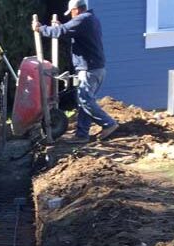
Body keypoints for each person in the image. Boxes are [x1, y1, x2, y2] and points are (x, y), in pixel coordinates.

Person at [34, 0, 118, 143]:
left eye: (71, 13)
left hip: (89, 69)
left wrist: (40, 29)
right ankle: (82, 135)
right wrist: (62, 27)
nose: (71, 16)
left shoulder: (83, 19)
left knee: (85, 100)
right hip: (96, 68)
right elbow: (68, 32)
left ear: (76, 10)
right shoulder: (91, 19)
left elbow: (61, 31)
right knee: (83, 101)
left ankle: (108, 123)